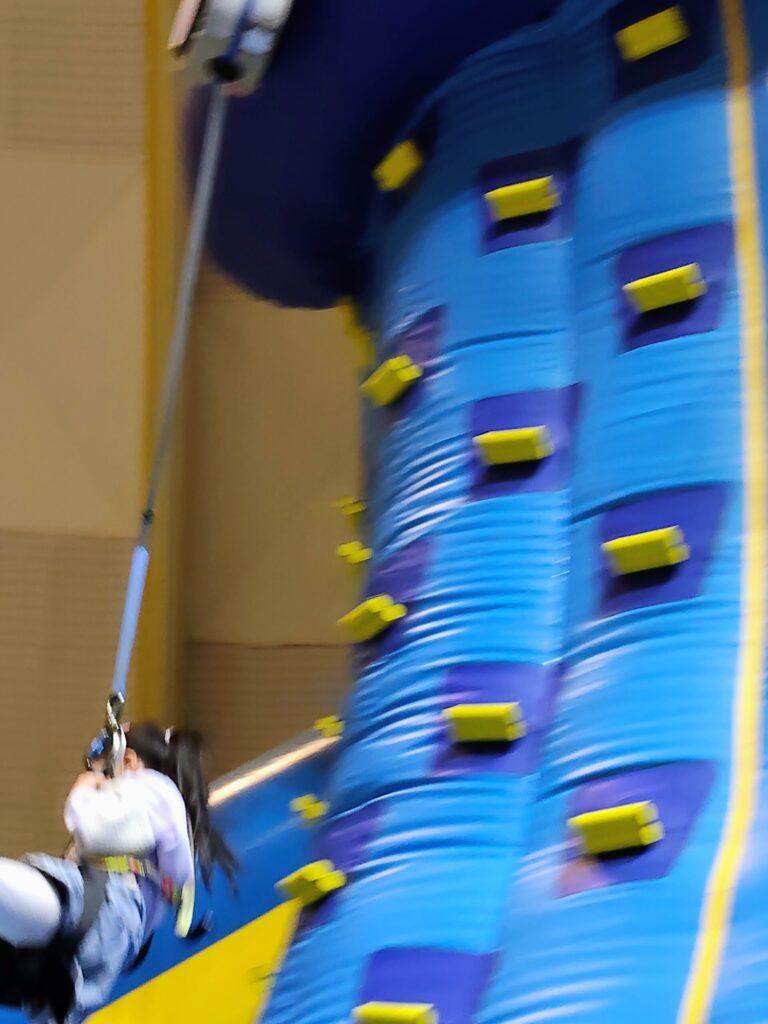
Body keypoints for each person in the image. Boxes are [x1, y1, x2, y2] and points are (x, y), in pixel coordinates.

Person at [0, 723, 237, 1024]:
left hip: (105, 908)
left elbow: (95, 828)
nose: (101, 780)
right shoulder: (158, 812)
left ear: (128, 761)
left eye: (104, 771)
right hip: (95, 941)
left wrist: (84, 789)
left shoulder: (155, 788)